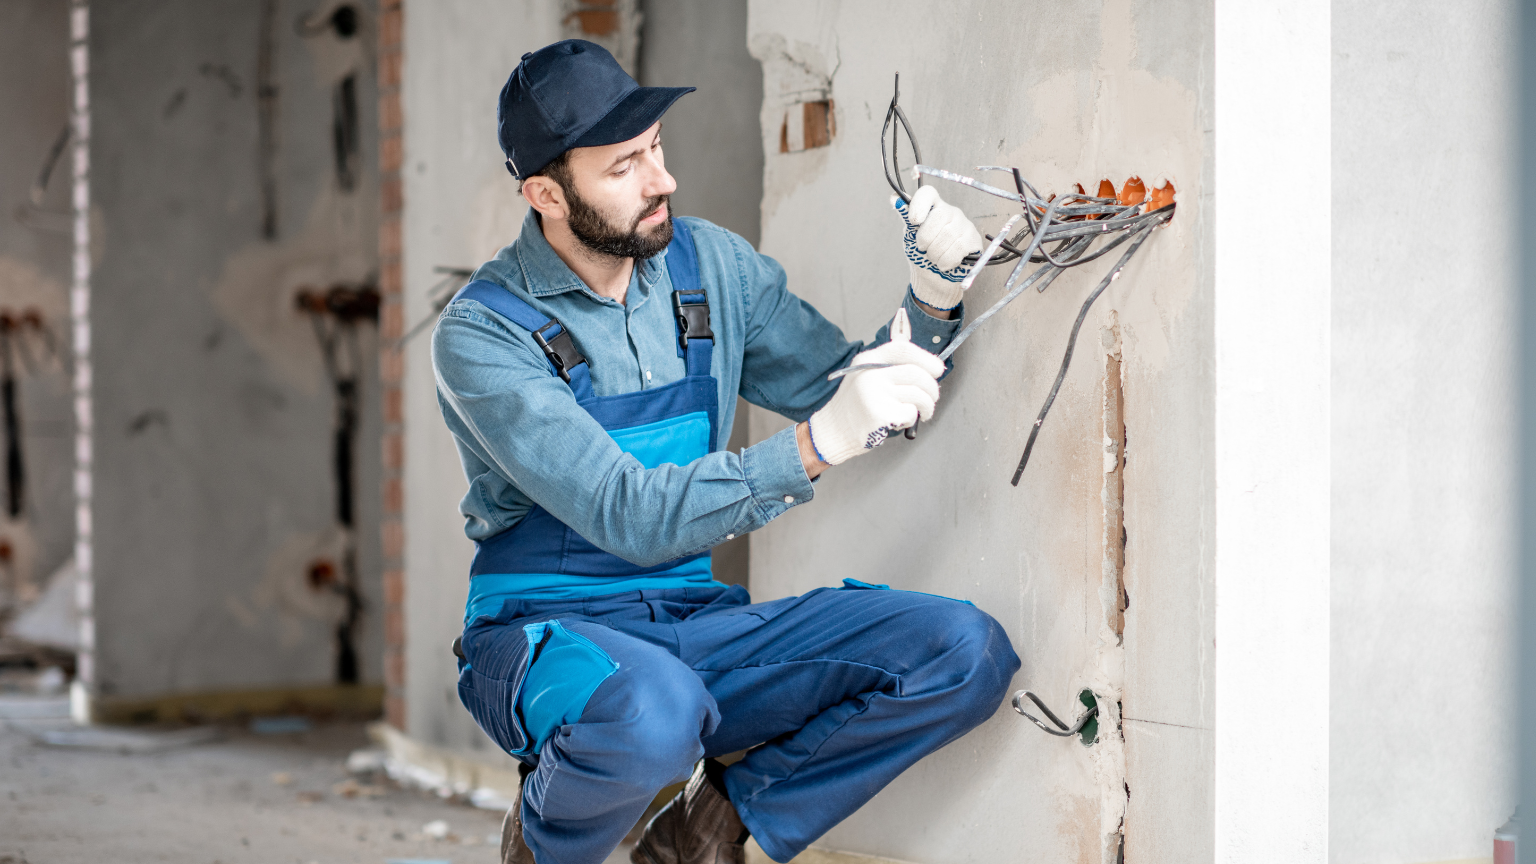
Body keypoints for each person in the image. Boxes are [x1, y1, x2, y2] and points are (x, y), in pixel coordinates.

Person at [433, 39, 1021, 864]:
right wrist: (818, 445)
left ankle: (706, 831)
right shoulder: (483, 332)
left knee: (963, 651)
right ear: (545, 193)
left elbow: (840, 386)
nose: (661, 179)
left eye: (657, 149)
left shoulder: (711, 266)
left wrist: (935, 299)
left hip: (694, 626)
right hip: (546, 638)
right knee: (655, 712)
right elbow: (625, 513)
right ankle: (541, 844)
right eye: (623, 166)